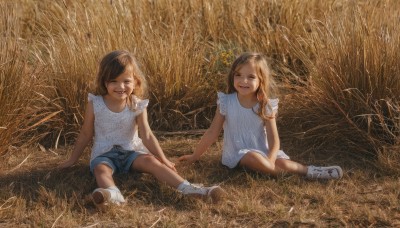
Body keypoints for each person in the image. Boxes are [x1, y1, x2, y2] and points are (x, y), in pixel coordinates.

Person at [58, 50, 224, 205]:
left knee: (152, 162)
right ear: (104, 81)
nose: (120, 87)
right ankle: (112, 193)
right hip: (104, 153)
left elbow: (147, 135)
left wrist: (164, 159)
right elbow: (86, 133)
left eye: (126, 81)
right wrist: (72, 159)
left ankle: (190, 189)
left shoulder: (137, 105)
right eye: (113, 81)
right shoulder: (96, 103)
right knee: (101, 170)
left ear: (135, 81)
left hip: (131, 152)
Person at [178, 52, 343, 180]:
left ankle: (312, 171)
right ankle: (279, 175)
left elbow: (274, 139)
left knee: (283, 162)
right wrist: (194, 156)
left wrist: (271, 159)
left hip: (263, 150)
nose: (243, 81)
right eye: (238, 75)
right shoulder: (226, 102)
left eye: (251, 77)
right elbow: (212, 133)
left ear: (261, 80)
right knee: (252, 157)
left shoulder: (265, 105)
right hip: (238, 153)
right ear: (232, 77)